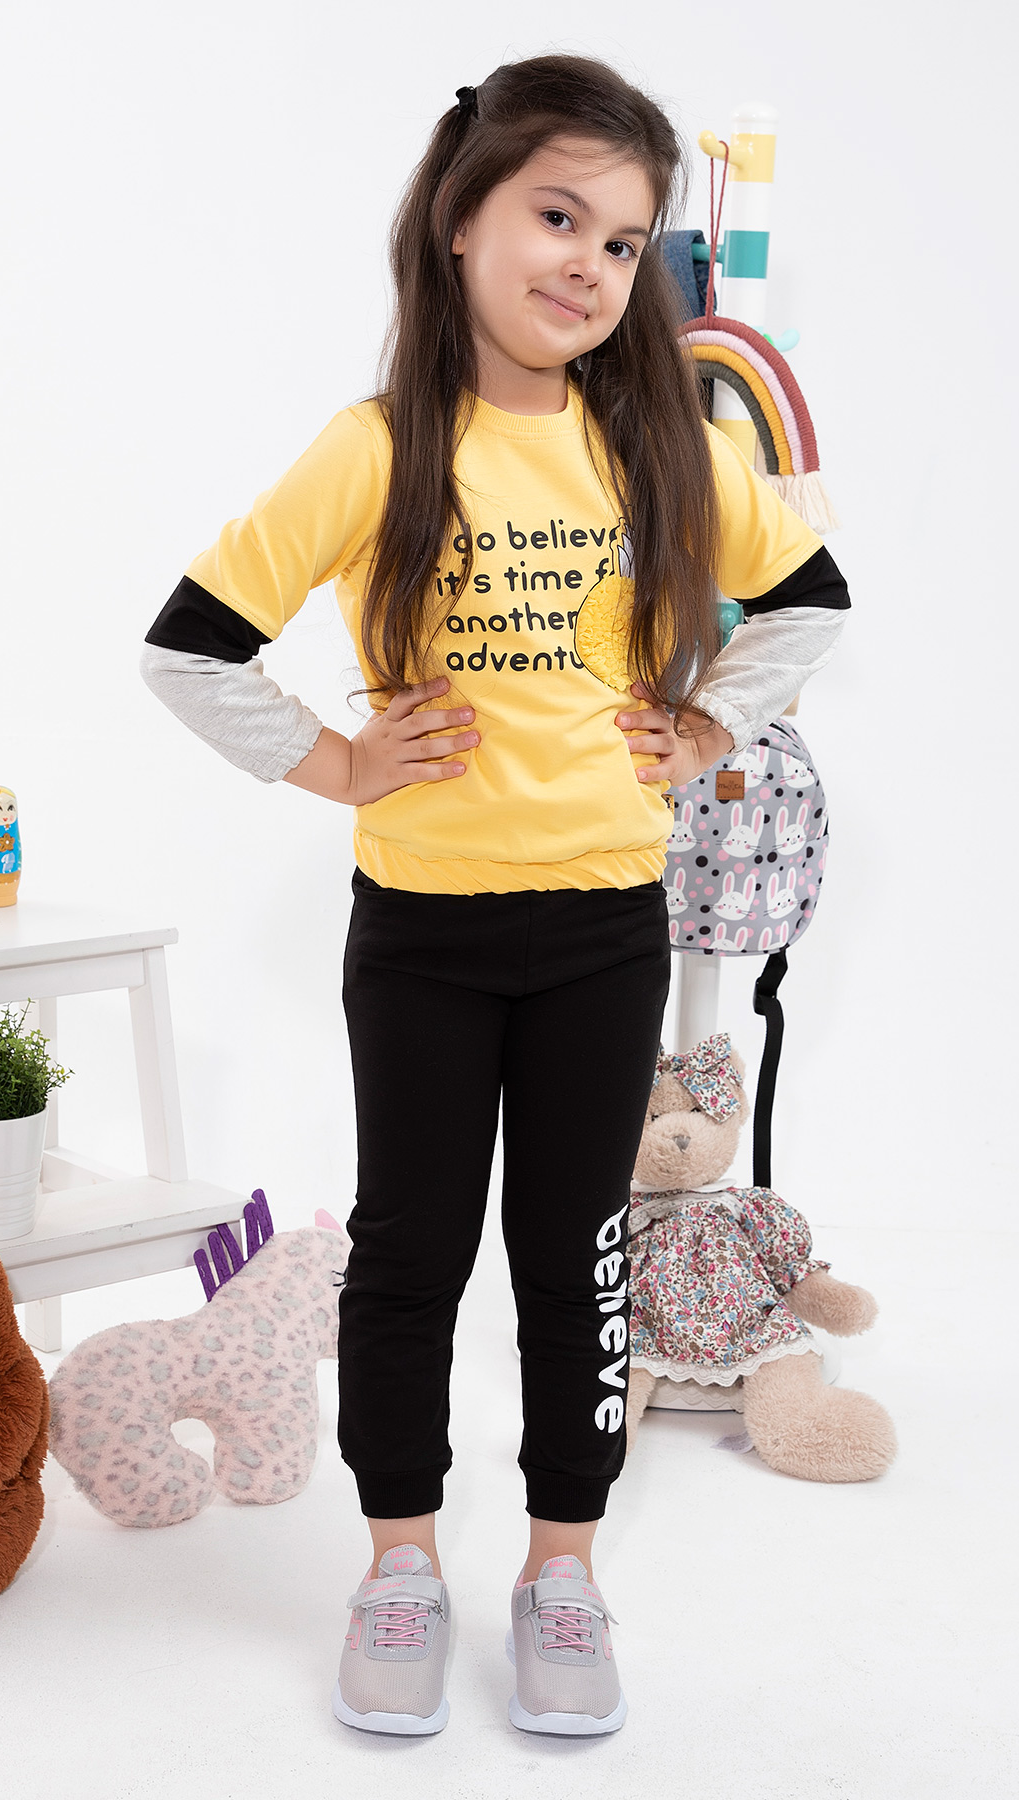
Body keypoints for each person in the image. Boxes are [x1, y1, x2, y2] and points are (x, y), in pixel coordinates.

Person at [141, 54, 849, 1738]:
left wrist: (705, 724)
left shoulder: (658, 446)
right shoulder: (378, 448)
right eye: (557, 216)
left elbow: (811, 596)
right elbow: (190, 646)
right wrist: (335, 763)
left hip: (603, 924)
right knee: (410, 1252)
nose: (588, 266)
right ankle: (400, 1563)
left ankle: (562, 1574)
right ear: (461, 217)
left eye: (624, 242)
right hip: (424, 935)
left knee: (575, 1255)